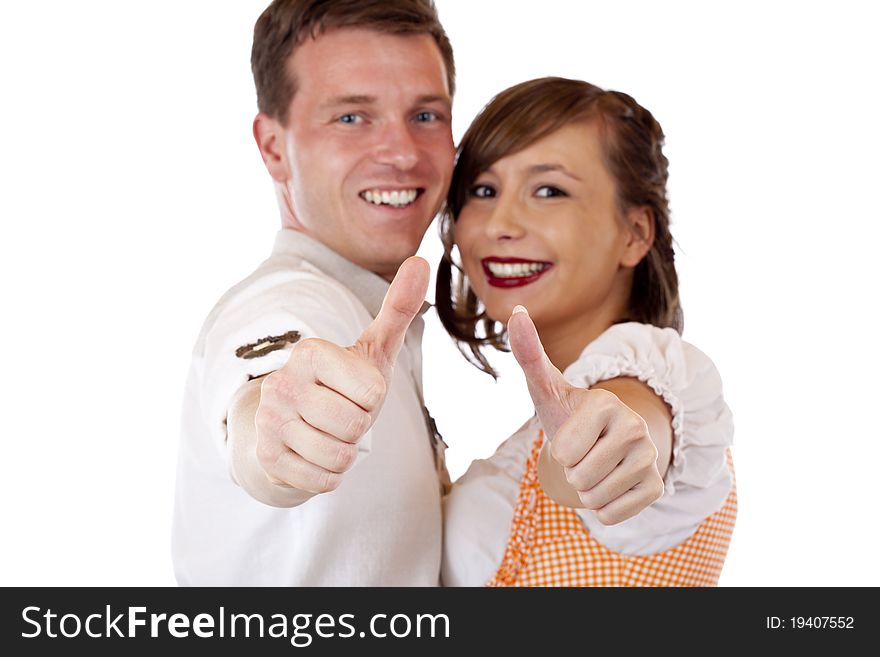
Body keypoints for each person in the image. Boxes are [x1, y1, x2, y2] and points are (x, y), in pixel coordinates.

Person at [172, 0, 457, 586]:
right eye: (352, 118)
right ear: (274, 147)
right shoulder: (288, 303)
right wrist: (279, 435)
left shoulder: (380, 320)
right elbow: (269, 384)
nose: (402, 153)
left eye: (426, 116)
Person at [437, 77, 736, 586]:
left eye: (549, 190)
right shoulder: (528, 439)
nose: (499, 223)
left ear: (634, 233)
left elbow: (628, 426)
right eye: (483, 190)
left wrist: (607, 450)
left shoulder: (665, 384)